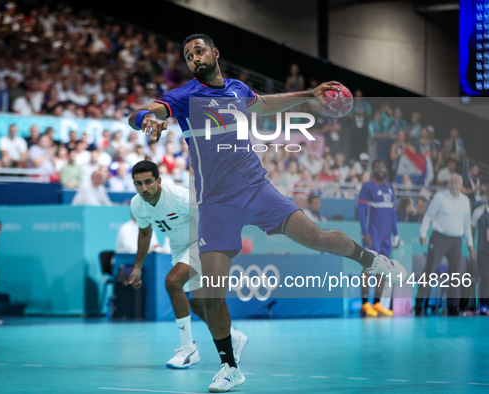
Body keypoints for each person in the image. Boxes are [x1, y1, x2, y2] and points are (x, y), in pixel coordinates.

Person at [128, 34, 407, 392]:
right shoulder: (185, 96)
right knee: (213, 292)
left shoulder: (237, 89)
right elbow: (143, 114)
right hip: (215, 204)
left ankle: (371, 260)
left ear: (215, 52)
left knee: (318, 238)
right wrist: (146, 118)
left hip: (256, 188)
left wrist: (309, 94)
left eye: (199, 51)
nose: (194, 57)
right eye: (188, 55)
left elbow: (264, 104)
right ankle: (230, 366)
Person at [127, 161, 248, 369]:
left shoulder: (178, 197)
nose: (144, 188)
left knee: (172, 281)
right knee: (198, 306)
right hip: (178, 248)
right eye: (138, 184)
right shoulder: (137, 204)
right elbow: (145, 233)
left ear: (159, 181)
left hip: (202, 242)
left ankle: (188, 348)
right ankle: (234, 337)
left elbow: (210, 216)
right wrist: (137, 267)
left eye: (148, 182)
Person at [417, 174, 476, 316]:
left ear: (461, 186)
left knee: (455, 274)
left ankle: (453, 307)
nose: (454, 186)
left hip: (456, 240)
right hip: (439, 238)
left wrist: (470, 244)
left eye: (457, 183)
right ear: (448, 184)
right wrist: (423, 233)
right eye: (452, 183)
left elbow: (467, 224)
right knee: (429, 270)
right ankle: (419, 304)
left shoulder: (465, 201)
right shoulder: (440, 197)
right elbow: (428, 216)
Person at [357, 159, 398, 318]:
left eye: (382, 165)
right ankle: (365, 305)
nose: (380, 168)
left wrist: (397, 233)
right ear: (373, 170)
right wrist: (364, 232)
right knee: (369, 266)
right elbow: (361, 211)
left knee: (383, 269)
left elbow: (393, 213)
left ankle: (377, 304)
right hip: (372, 234)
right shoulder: (367, 187)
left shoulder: (390, 188)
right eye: (377, 167)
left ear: (386, 169)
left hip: (386, 236)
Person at [471, 187, 489, 315]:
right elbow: (471, 232)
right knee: (485, 277)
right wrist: (471, 248)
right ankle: (483, 305)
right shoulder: (478, 212)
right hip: (483, 251)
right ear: (486, 195)